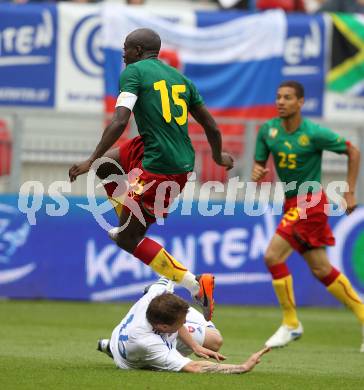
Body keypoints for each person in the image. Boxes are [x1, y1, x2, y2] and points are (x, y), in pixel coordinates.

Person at [69, 28, 234, 321]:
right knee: (107, 165)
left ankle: (196, 286)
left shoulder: (133, 73)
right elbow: (212, 126)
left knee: (127, 241)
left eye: (125, 48)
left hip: (162, 166)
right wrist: (219, 155)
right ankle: (127, 220)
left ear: (137, 49)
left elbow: (120, 120)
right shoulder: (180, 78)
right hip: (155, 148)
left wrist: (88, 158)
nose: (123, 54)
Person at [252, 80, 364, 351]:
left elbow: (353, 150)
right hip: (290, 203)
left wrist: (349, 191)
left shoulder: (313, 133)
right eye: (278, 97)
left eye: (287, 98)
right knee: (321, 268)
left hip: (311, 202)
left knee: (272, 256)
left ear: (300, 103)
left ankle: (291, 323)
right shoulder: (268, 130)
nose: (281, 102)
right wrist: (257, 170)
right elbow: (259, 161)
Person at [97, 277, 270, 373]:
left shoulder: (156, 294)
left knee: (213, 342)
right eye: (182, 321)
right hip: (136, 356)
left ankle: (111, 346)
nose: (185, 321)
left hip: (121, 336)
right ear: (164, 327)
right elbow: (194, 367)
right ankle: (113, 349)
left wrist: (195, 286)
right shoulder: (149, 344)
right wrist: (243, 367)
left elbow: (170, 273)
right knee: (160, 364)